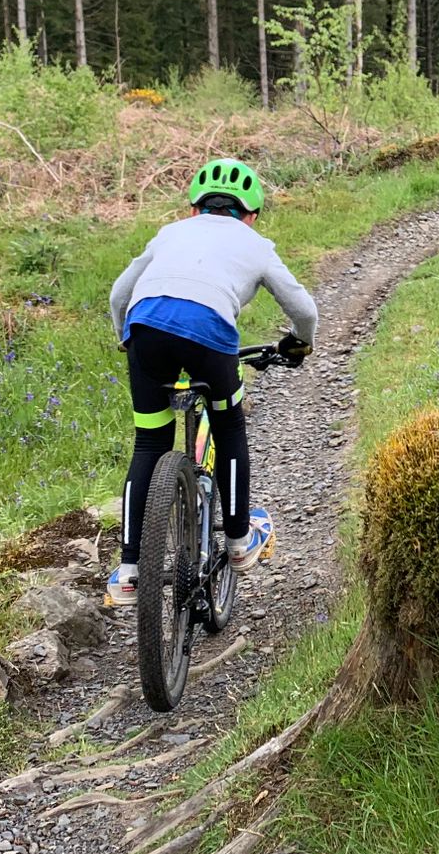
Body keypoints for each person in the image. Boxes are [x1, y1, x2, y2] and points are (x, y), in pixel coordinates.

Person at [103, 158, 318, 608]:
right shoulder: (256, 243)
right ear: (251, 214)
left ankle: (128, 572)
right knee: (228, 425)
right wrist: (299, 343)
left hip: (147, 326)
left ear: (194, 208)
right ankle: (239, 543)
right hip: (209, 331)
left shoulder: (170, 233)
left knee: (148, 442)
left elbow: (119, 294)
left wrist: (128, 337)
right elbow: (304, 310)